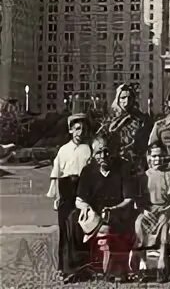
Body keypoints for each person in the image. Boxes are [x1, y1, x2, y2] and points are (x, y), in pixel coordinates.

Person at [74, 135, 137, 282]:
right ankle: (80, 268)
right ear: (93, 154)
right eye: (98, 152)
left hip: (119, 212)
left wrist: (114, 209)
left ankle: (112, 270)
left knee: (111, 229)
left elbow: (129, 199)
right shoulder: (88, 171)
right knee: (73, 222)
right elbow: (79, 199)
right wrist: (85, 207)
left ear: (113, 151)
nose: (103, 156)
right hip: (95, 214)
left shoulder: (123, 168)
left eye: (106, 151)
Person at [46, 113, 92, 282]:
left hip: (82, 188)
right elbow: (56, 174)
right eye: (77, 128)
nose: (80, 132)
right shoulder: (63, 150)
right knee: (65, 229)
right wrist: (57, 196)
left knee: (80, 227)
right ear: (71, 130)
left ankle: (81, 267)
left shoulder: (89, 149)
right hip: (66, 189)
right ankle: (63, 267)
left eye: (83, 128)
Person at [132, 141, 170, 284]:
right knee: (139, 223)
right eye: (154, 156)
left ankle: (161, 264)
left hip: (165, 211)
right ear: (149, 157)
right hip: (148, 211)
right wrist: (145, 211)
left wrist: (166, 211)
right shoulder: (143, 176)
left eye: (160, 156)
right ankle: (143, 265)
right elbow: (138, 202)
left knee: (165, 227)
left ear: (165, 156)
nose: (157, 159)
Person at [97, 84, 150, 173]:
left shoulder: (141, 119)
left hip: (135, 163)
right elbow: (100, 141)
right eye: (123, 98)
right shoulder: (109, 120)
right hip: (114, 163)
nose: (126, 101)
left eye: (129, 98)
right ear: (117, 99)